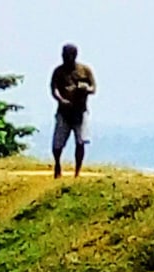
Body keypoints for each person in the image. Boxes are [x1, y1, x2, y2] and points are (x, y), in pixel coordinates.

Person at [50, 43, 96, 178]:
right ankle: (57, 165)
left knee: (80, 141)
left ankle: (77, 171)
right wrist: (61, 100)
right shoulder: (58, 71)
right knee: (58, 142)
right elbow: (54, 89)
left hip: (80, 111)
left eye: (68, 55)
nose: (65, 58)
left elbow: (93, 88)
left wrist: (84, 89)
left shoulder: (85, 70)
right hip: (64, 111)